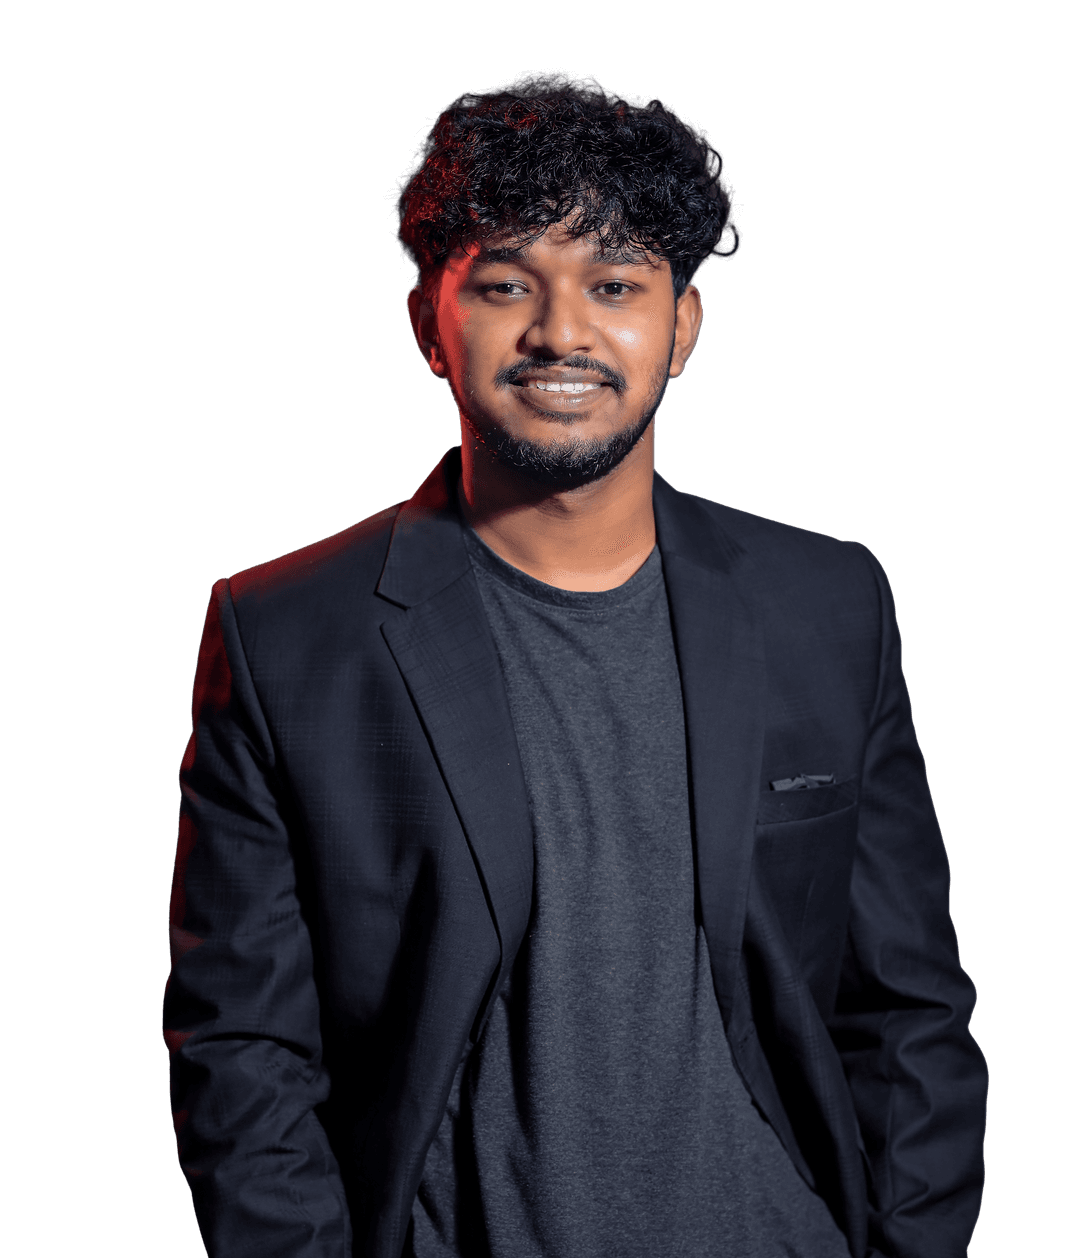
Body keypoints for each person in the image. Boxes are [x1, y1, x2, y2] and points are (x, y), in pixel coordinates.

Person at [164, 71, 987, 1258]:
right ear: (429, 327)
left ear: (681, 328)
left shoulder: (828, 604)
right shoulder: (286, 633)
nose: (561, 331)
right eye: (507, 284)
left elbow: (909, 1011)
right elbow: (243, 1050)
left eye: (615, 284)